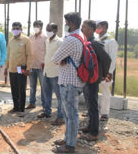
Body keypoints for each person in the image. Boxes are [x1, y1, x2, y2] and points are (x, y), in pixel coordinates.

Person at [52, 12, 84, 153]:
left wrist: (61, 59)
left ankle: (70, 145)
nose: (64, 25)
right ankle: (67, 139)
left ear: (71, 23)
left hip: (69, 82)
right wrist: (62, 59)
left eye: (66, 22)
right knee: (68, 114)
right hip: (74, 81)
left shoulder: (71, 39)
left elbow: (55, 58)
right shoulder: (80, 36)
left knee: (71, 115)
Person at [80, 20, 111, 141]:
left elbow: (107, 59)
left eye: (84, 27)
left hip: (93, 79)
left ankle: (93, 133)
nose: (82, 29)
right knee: (89, 103)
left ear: (91, 30)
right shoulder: (87, 41)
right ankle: (90, 126)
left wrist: (102, 75)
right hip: (87, 78)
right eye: (82, 26)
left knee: (93, 106)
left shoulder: (95, 43)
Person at [4, 22, 33, 117]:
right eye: (14, 28)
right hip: (12, 68)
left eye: (17, 28)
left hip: (22, 68)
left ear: (21, 29)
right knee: (14, 88)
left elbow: (29, 55)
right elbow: (8, 55)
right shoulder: (11, 40)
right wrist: (6, 67)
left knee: (21, 88)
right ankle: (15, 107)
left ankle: (21, 109)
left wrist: (28, 68)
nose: (15, 30)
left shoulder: (26, 40)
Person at [38, 23, 64, 126]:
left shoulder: (59, 42)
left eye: (50, 29)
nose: (48, 31)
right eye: (47, 29)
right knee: (46, 94)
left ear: (55, 30)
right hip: (46, 71)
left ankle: (60, 116)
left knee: (59, 96)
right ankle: (47, 112)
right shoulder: (47, 41)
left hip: (56, 73)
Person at [96, 21, 118, 121]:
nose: (97, 28)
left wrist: (110, 72)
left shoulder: (111, 41)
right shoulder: (97, 39)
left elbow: (113, 58)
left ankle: (104, 113)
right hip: (96, 70)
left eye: (98, 27)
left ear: (104, 27)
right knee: (93, 91)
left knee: (105, 92)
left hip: (105, 71)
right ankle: (93, 110)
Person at [26, 20, 47, 110]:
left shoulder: (45, 38)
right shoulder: (30, 37)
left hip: (42, 66)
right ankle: (32, 102)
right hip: (32, 65)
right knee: (32, 86)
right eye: (35, 26)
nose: (36, 28)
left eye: (38, 26)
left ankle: (44, 105)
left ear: (41, 27)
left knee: (43, 87)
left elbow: (47, 51)